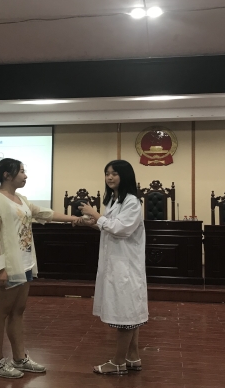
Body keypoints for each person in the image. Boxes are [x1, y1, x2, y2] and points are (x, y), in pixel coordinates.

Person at [0, 158, 81, 379]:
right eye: (21, 171)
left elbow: (45, 214)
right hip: (7, 266)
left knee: (17, 312)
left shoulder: (21, 200)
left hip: (25, 263)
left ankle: (19, 358)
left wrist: (75, 219)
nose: (25, 175)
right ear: (7, 175)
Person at [78, 159, 149, 375]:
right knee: (128, 312)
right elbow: (109, 228)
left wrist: (95, 214)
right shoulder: (115, 200)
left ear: (125, 176)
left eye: (114, 173)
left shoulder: (132, 202)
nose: (109, 177)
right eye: (107, 173)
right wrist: (93, 223)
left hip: (125, 265)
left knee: (126, 314)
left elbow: (120, 229)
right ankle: (133, 357)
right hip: (115, 263)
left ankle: (118, 362)